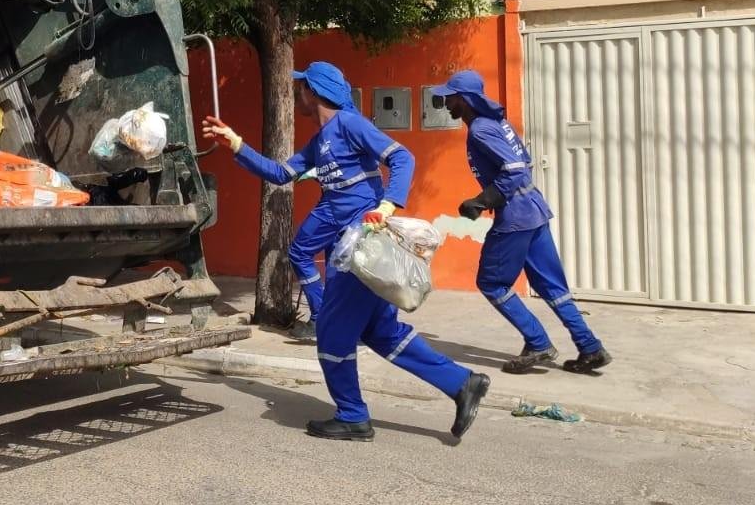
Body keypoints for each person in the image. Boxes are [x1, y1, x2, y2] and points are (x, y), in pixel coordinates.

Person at [202, 61, 490, 442]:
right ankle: (461, 382)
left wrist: (388, 204)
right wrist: (235, 143)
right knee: (382, 333)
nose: (297, 92)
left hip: (361, 251)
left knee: (334, 336)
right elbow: (280, 174)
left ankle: (353, 415)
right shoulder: (319, 141)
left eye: (301, 87)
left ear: (314, 93)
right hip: (350, 252)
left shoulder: (350, 125)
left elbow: (402, 157)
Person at [432, 69, 612, 375]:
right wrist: (489, 197)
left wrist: (483, 200)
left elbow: (514, 169)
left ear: (464, 99)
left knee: (491, 282)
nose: (445, 103)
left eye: (450, 97)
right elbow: (523, 160)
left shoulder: (480, 130)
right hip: (533, 209)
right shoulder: (496, 123)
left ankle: (538, 342)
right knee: (553, 286)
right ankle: (590, 347)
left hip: (515, 216)